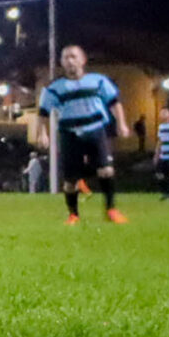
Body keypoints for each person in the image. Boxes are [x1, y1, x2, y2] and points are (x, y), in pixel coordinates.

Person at [38, 45, 129, 225]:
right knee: (70, 181)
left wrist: (122, 124)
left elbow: (115, 103)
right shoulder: (55, 88)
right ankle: (73, 215)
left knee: (106, 170)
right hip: (69, 134)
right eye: (65, 58)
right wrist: (42, 134)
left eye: (73, 56)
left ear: (83, 60)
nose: (70, 61)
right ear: (62, 63)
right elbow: (42, 112)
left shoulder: (98, 81)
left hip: (95, 130)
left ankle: (111, 210)